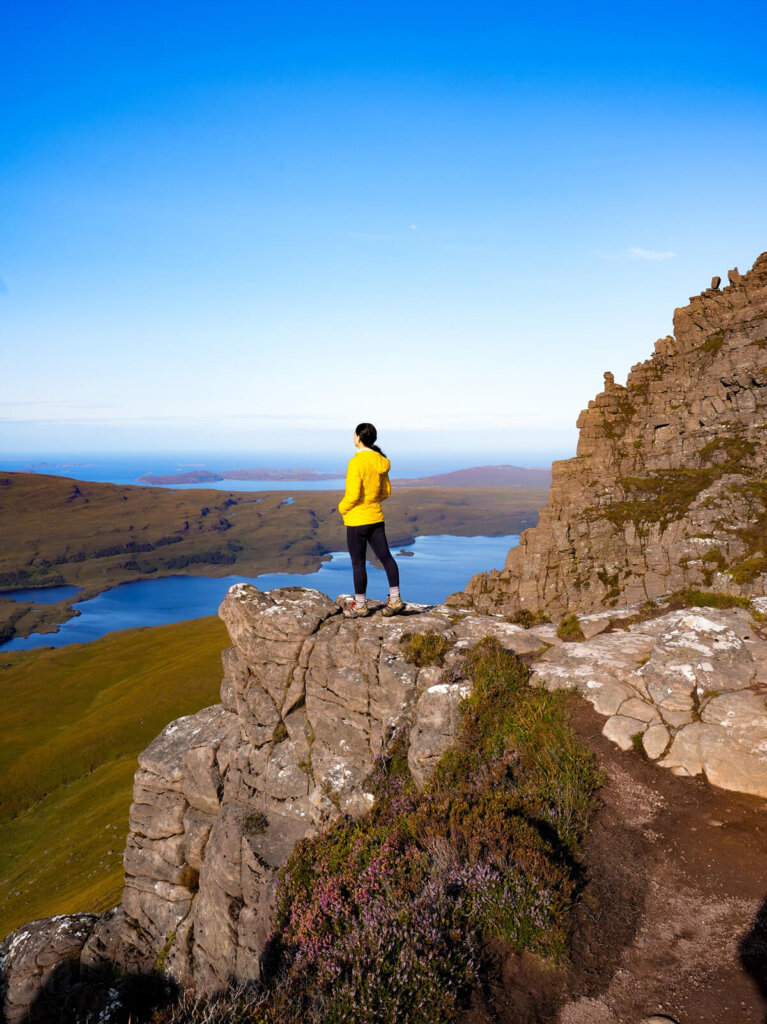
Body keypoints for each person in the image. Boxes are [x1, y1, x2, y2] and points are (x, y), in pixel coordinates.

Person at [338, 422, 405, 618]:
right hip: (376, 517)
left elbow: (352, 495)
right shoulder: (381, 461)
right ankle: (395, 600)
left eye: (354, 434)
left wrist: (342, 508)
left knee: (358, 563)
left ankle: (360, 606)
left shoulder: (356, 462)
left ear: (358, 437)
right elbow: (386, 492)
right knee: (386, 557)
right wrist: (372, 502)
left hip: (357, 520)